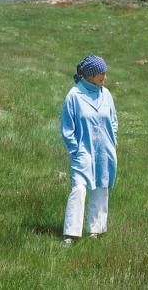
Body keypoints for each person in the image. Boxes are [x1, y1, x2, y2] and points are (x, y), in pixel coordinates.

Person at [60, 55, 118, 246]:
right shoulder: (74, 96)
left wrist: (113, 142)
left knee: (102, 187)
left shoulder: (106, 94)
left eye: (105, 72)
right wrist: (74, 150)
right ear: (90, 75)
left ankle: (96, 230)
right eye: (101, 72)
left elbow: (114, 121)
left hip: (105, 150)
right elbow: (67, 127)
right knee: (79, 188)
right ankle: (71, 234)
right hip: (83, 151)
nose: (104, 76)